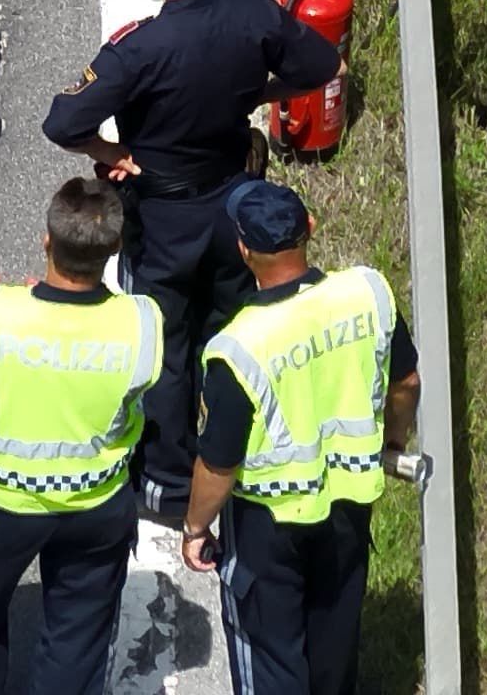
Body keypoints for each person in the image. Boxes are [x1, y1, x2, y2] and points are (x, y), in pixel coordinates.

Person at [40, 0, 343, 521]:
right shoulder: (252, 19)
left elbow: (62, 121)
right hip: (233, 207)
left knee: (167, 348)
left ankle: (168, 481)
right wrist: (256, 91)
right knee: (226, 333)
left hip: (165, 220)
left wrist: (110, 150)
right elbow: (323, 64)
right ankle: (227, 454)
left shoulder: (137, 50)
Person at [179, 179, 420, 695]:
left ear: (244, 250)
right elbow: (407, 383)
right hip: (348, 508)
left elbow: (218, 467)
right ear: (309, 228)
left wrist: (195, 527)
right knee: (334, 642)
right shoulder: (368, 293)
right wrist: (394, 443)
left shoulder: (237, 348)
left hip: (269, 528)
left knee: (269, 653)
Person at [0, 176, 162, 695]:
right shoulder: (142, 322)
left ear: (47, 241)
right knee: (78, 641)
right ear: (113, 249)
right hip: (96, 508)